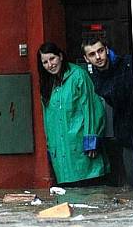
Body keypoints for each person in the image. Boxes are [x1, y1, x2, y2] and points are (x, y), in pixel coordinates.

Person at [37, 42, 109, 186]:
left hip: (83, 149)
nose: (50, 64)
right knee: (69, 199)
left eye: (52, 59)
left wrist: (91, 140)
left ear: (61, 57)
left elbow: (92, 108)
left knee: (91, 197)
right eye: (45, 62)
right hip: (62, 154)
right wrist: (50, 148)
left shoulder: (78, 75)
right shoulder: (48, 84)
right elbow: (47, 120)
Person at [81, 36, 133, 188]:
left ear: (107, 50)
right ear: (86, 59)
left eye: (100, 51)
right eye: (92, 54)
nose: (98, 57)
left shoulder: (128, 63)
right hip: (127, 133)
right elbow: (114, 94)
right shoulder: (97, 81)